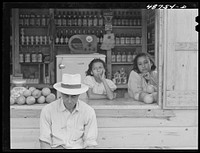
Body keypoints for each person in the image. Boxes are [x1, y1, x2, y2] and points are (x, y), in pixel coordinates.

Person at [39, 73, 98, 149]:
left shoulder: (88, 111)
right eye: (66, 95)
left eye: (73, 96)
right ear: (61, 93)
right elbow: (45, 141)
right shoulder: (48, 110)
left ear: (79, 94)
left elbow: (90, 143)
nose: (69, 101)